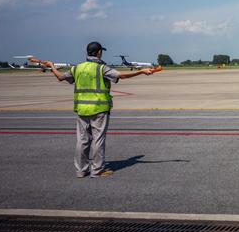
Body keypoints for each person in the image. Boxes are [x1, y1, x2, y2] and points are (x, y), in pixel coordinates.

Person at [42, 41, 155, 178]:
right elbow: (121, 76)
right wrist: (141, 71)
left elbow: (60, 77)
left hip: (82, 109)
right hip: (99, 108)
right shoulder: (101, 68)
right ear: (99, 52)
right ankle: (97, 170)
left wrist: (52, 66)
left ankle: (81, 170)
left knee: (82, 141)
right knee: (98, 139)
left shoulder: (77, 68)